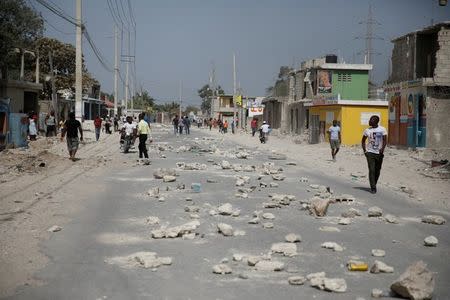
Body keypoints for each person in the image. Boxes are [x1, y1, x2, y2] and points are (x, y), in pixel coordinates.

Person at [361, 115, 387, 194]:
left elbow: (385, 140)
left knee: (377, 170)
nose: (369, 121)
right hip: (370, 153)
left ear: (376, 121)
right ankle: (373, 187)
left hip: (379, 153)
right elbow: (363, 141)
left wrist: (382, 150)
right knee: (371, 170)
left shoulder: (382, 129)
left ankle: (374, 183)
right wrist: (365, 151)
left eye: (371, 120)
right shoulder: (367, 130)